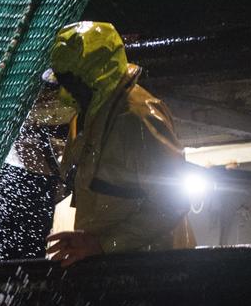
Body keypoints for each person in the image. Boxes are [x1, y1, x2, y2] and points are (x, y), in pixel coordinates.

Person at [43, 21, 194, 267]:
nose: (65, 91)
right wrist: (93, 244)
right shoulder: (88, 115)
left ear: (95, 75)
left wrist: (104, 244)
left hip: (155, 270)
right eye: (62, 81)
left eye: (71, 81)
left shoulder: (138, 117)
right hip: (105, 264)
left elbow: (173, 202)